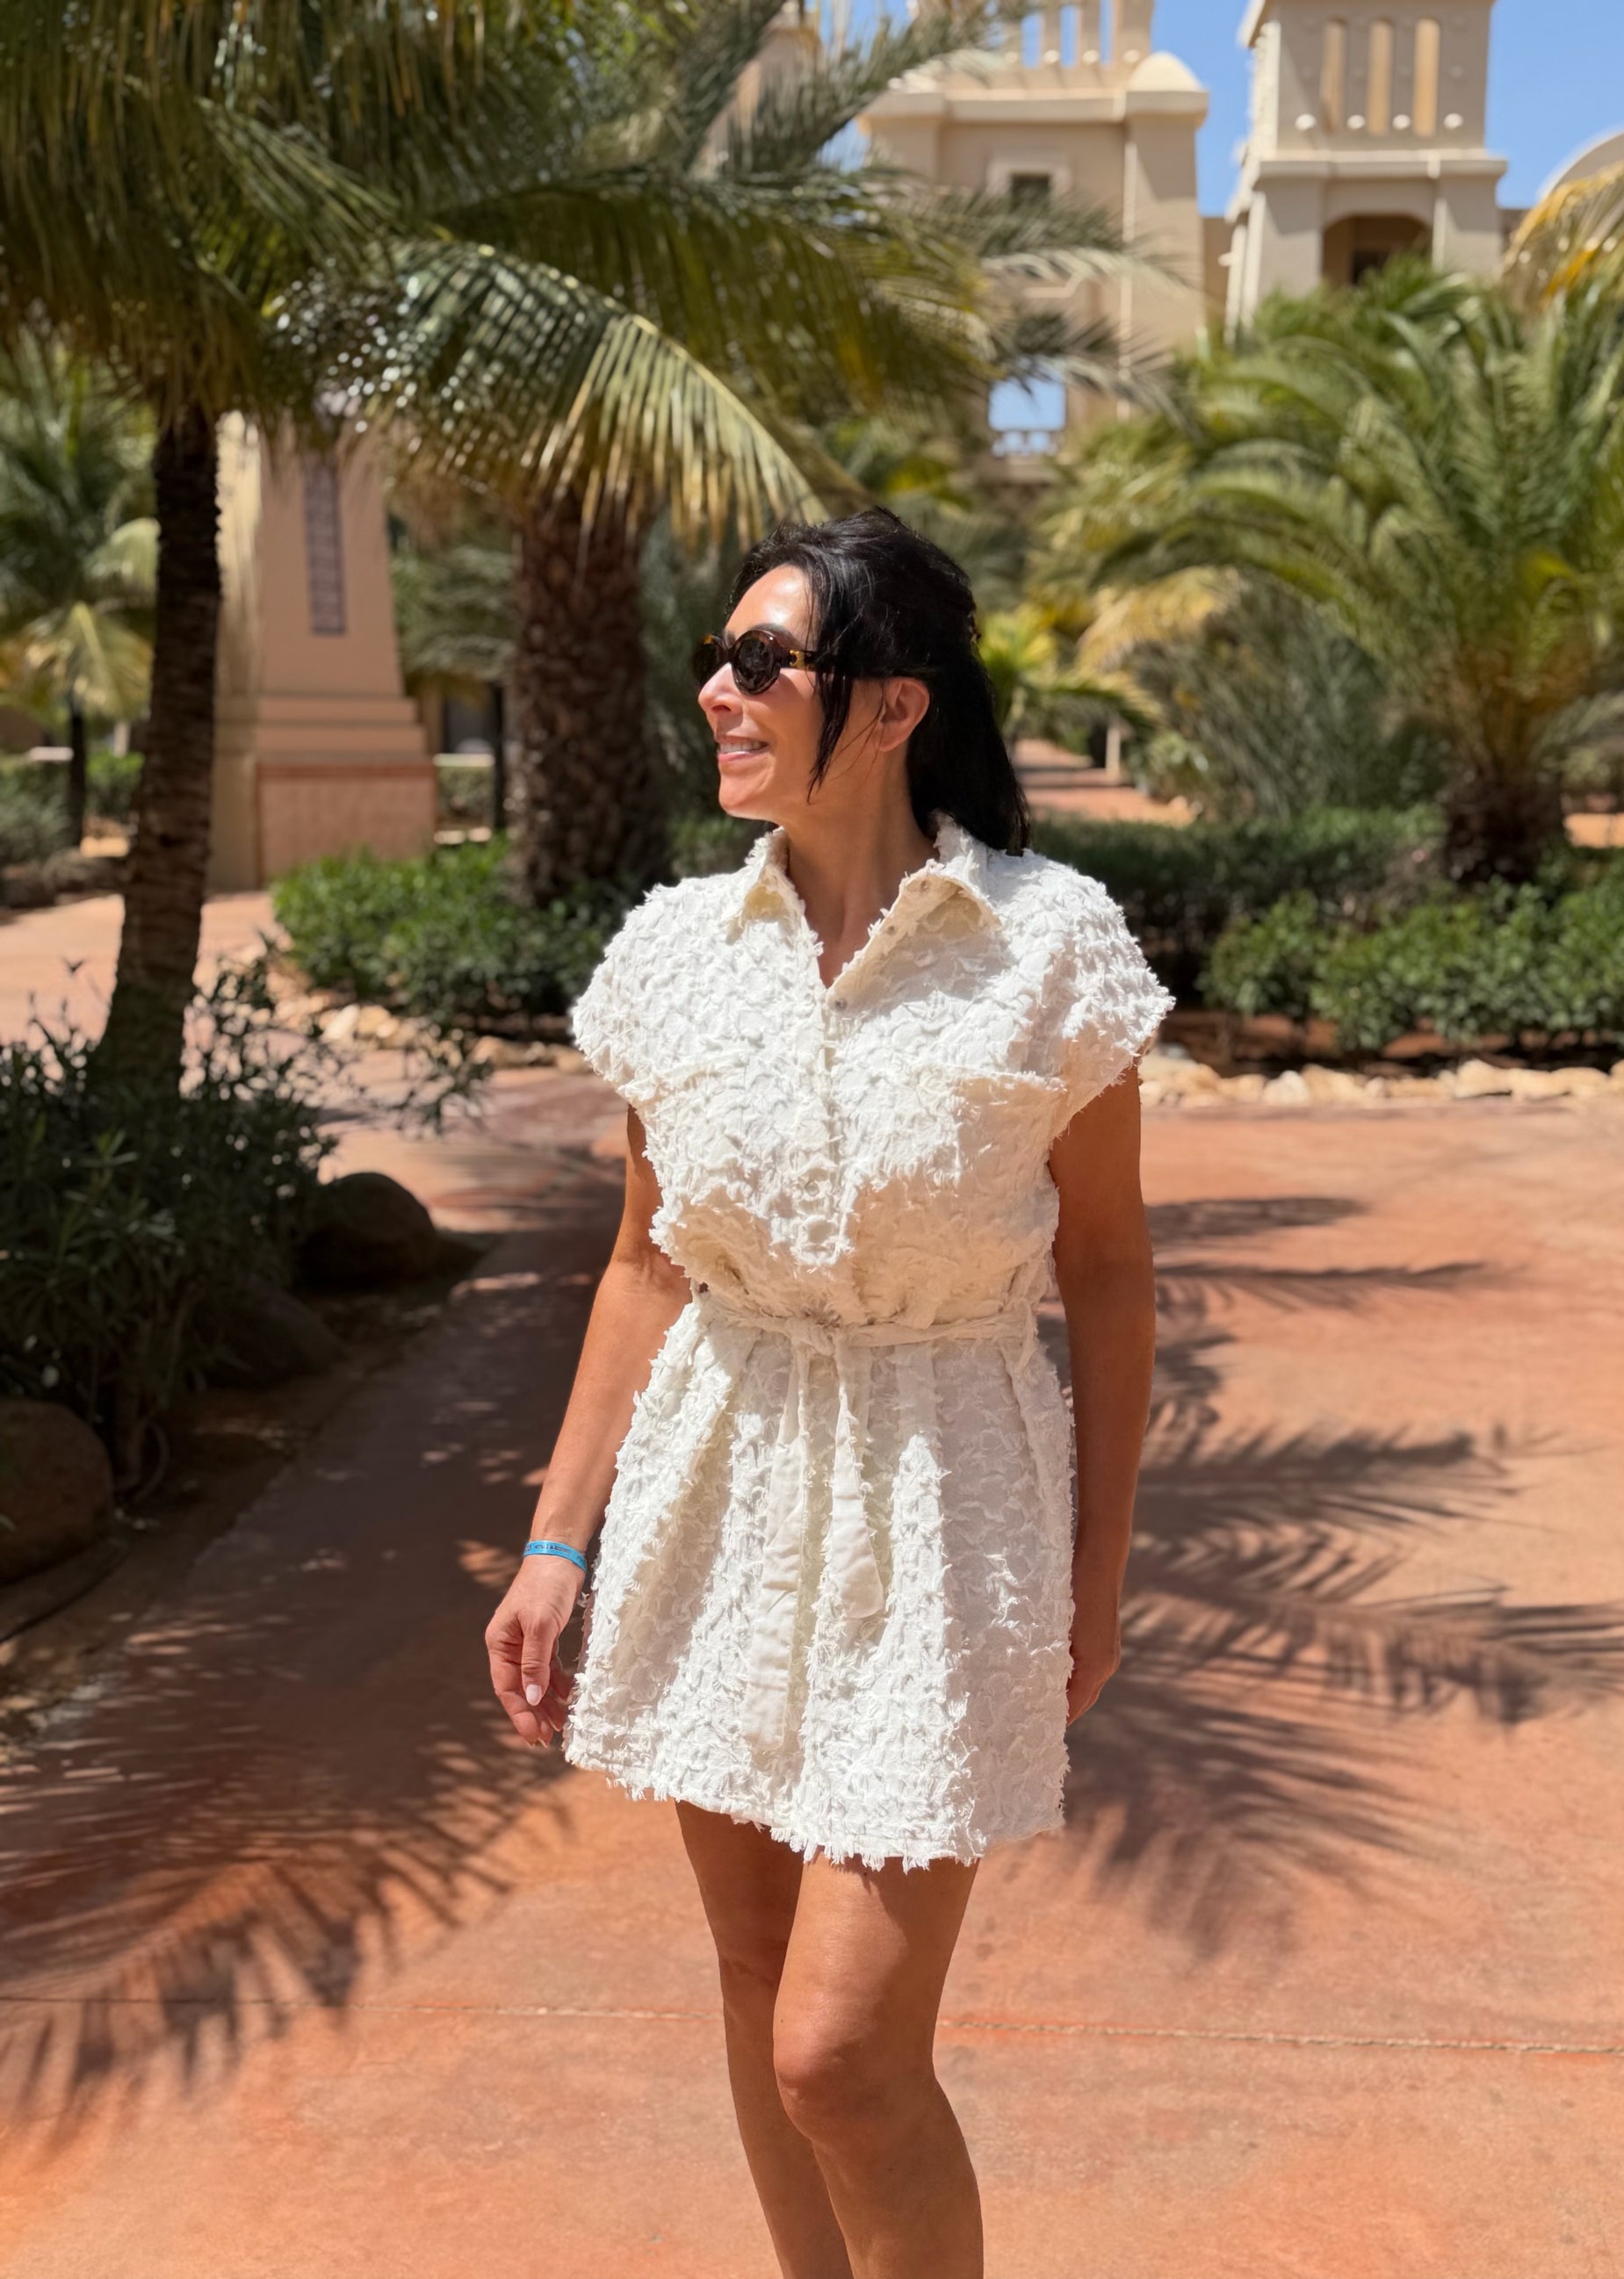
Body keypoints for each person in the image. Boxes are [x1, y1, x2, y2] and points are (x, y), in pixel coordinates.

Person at [484, 507, 1170, 2277]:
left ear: (889, 703)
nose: (715, 691)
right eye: (714, 660)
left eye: (760, 661)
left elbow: (1107, 1273)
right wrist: (555, 1542)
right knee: (748, 1972)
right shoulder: (674, 953)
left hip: (947, 1499)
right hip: (722, 1481)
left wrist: (1097, 1575)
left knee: (840, 2055)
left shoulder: (1045, 945)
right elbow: (647, 1263)